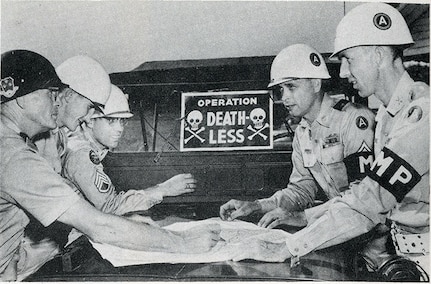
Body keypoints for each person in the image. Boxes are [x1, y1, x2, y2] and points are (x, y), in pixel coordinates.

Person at [230, 3, 429, 279]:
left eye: (349, 59)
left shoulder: (421, 114)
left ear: (378, 54)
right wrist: (301, 218)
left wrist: (289, 247)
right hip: (407, 258)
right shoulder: (387, 115)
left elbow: (369, 201)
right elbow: (357, 198)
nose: (344, 72)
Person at [0, 50, 221, 281]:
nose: (57, 100)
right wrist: (184, 242)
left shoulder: (15, 142)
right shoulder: (15, 155)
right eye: (50, 93)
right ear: (22, 98)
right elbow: (99, 225)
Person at [220, 43, 376, 229]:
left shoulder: (353, 120)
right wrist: (256, 206)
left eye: (291, 87)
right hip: (340, 226)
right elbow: (301, 191)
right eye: (281, 90)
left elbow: (362, 195)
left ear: (316, 83)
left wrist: (303, 217)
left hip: (373, 237)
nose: (284, 97)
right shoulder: (302, 132)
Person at [63, 84, 197, 215]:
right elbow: (110, 207)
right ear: (91, 121)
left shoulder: (92, 148)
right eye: (111, 121)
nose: (120, 128)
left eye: (122, 121)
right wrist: (164, 189)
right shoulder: (82, 154)